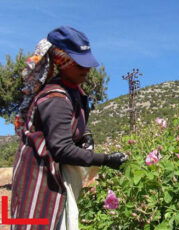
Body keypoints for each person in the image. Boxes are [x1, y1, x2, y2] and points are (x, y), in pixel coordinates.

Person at [11, 26, 127, 230]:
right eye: (80, 64)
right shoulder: (55, 98)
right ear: (62, 62)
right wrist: (106, 159)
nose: (87, 69)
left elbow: (71, 123)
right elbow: (61, 149)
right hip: (39, 179)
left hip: (52, 177)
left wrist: (86, 134)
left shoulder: (73, 91)